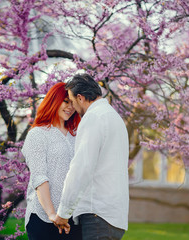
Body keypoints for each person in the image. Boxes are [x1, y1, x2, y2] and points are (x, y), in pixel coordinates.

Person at [52, 74, 130, 239]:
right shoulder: (114, 117)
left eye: (72, 101)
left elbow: (81, 168)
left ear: (80, 98)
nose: (72, 107)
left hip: (97, 214)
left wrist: (63, 212)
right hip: (113, 215)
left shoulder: (93, 118)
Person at [21, 82, 82, 240]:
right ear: (54, 100)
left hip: (72, 218)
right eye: (65, 101)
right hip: (43, 218)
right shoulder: (38, 134)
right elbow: (39, 177)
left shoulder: (76, 136)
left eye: (72, 103)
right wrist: (52, 214)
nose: (70, 107)